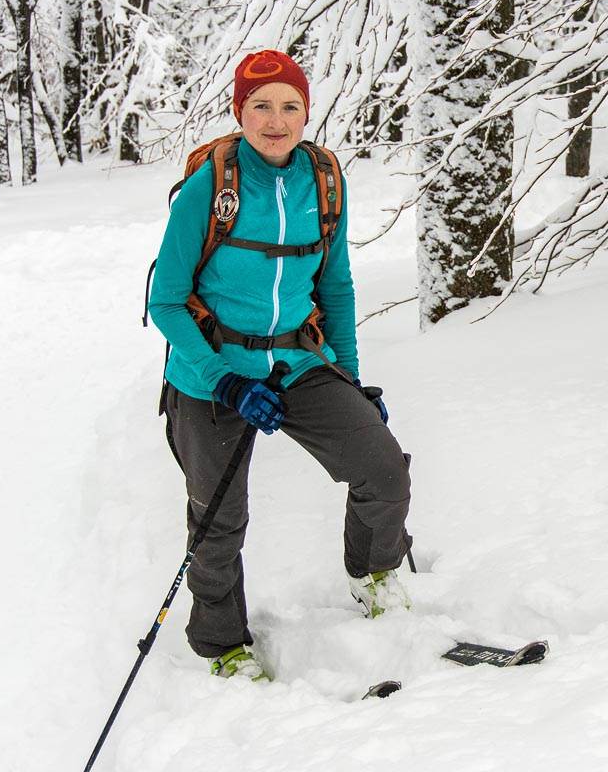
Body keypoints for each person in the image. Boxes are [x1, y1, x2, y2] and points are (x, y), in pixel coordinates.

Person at [148, 50, 412, 681]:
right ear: (239, 111)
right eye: (261, 106)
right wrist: (224, 380)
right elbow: (166, 301)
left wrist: (350, 378)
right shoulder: (210, 188)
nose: (276, 120)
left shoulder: (323, 181)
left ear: (306, 112)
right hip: (211, 371)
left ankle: (373, 574)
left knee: (382, 467)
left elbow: (336, 287)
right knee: (218, 518)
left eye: (290, 106)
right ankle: (221, 643)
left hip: (297, 359)